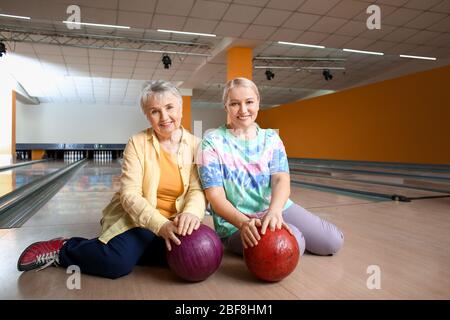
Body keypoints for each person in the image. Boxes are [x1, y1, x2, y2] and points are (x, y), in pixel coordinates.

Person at [17, 80, 206, 279]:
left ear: (181, 108)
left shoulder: (198, 145)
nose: (164, 117)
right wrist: (160, 225)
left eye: (169, 107)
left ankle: (129, 249)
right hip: (138, 218)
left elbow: (197, 189)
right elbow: (130, 195)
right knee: (116, 263)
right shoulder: (137, 143)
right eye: (154, 111)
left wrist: (192, 213)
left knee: (195, 254)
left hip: (176, 219)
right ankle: (64, 248)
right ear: (147, 116)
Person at [198, 77, 343, 257]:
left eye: (249, 102)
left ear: (258, 103)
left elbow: (281, 179)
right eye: (235, 103)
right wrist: (243, 223)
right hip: (237, 223)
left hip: (275, 208)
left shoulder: (271, 138)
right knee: (292, 241)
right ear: (225, 106)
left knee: (332, 241)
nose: (243, 110)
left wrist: (275, 211)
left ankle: (284, 232)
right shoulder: (211, 142)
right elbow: (215, 195)